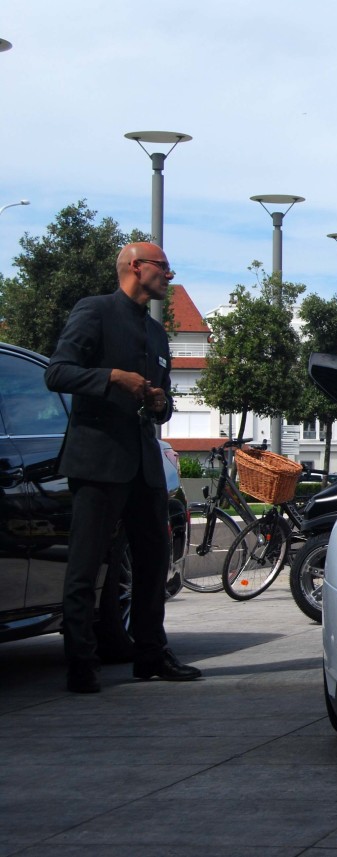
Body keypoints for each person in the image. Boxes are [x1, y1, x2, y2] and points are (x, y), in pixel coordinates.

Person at [45, 242, 202, 693]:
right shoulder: (93, 311)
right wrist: (112, 377)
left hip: (145, 467)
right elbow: (57, 373)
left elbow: (164, 404)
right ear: (136, 267)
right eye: (163, 268)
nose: (169, 277)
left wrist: (160, 403)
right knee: (85, 564)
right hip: (98, 461)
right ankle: (80, 663)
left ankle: (151, 655)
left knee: (154, 563)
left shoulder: (156, 333)